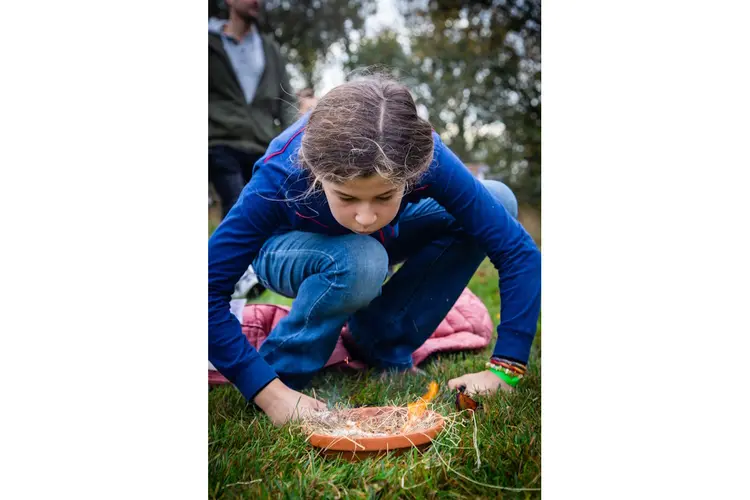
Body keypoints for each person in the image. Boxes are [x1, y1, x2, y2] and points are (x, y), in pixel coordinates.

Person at [208, 75, 542, 426]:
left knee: (498, 200)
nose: (365, 217)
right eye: (346, 197)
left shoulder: (424, 155)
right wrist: (269, 393)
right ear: (318, 175)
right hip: (282, 248)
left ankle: (381, 340)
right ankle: (287, 369)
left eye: (385, 196)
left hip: (381, 243)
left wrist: (505, 370)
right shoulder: (283, 170)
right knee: (362, 257)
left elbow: (517, 251)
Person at [209, 0, 296, 219]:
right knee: (238, 205)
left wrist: (294, 142)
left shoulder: (270, 49)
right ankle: (224, 253)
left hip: (263, 147)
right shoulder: (210, 46)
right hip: (222, 143)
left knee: (267, 211)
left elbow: (286, 101)